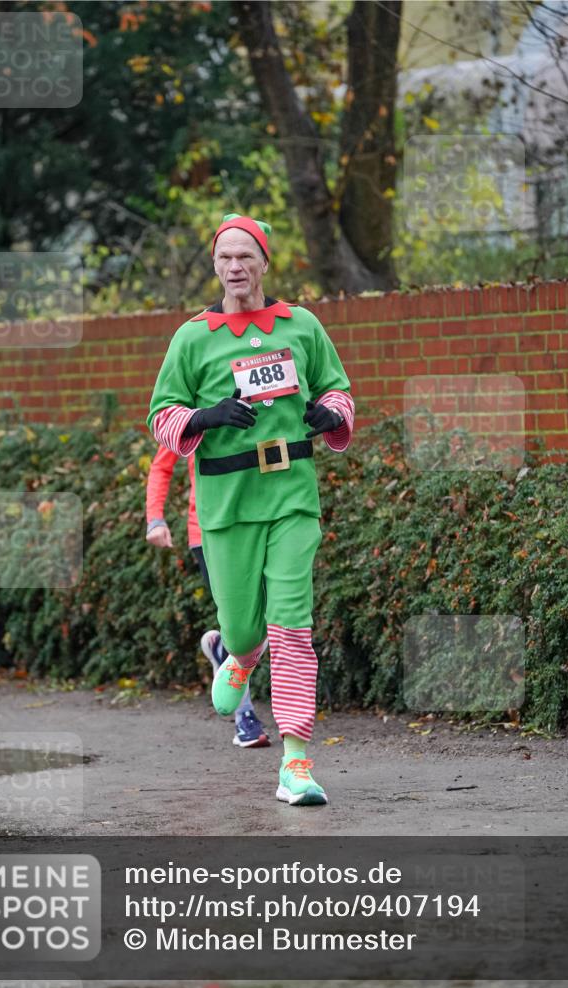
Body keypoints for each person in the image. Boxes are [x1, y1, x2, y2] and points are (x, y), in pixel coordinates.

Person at [147, 214, 354, 806]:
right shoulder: (193, 337)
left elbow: (337, 388)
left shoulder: (302, 326)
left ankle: (296, 762)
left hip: (291, 493)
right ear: (215, 267)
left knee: (292, 626)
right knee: (244, 625)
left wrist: (331, 414)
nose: (235, 268)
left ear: (265, 263)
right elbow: (162, 414)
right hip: (226, 505)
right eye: (225, 259)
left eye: (246, 257)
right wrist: (205, 417)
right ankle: (238, 654)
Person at [145, 443, 271, 748]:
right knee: (239, 622)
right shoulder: (194, 405)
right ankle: (245, 717)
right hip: (207, 532)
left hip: (258, 521)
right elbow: (162, 464)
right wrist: (155, 519)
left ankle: (222, 656)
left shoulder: (256, 398)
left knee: (269, 619)